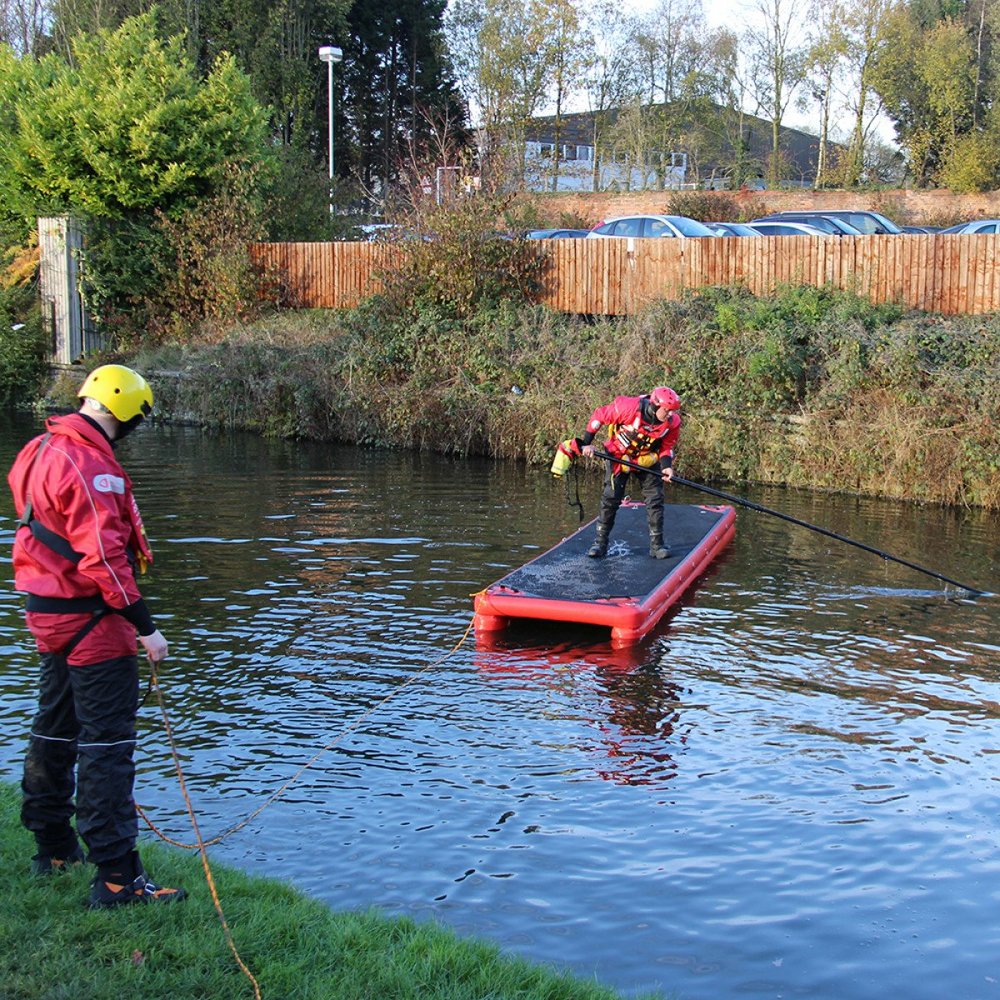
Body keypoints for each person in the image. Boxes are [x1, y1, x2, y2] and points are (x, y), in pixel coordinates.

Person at [8, 364, 186, 909]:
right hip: (93, 620)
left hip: (47, 611)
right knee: (108, 746)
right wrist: (147, 629)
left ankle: (53, 846)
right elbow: (107, 559)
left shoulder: (37, 449)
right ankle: (117, 879)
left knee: (55, 727)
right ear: (125, 410)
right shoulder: (90, 465)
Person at [576, 386, 682, 559]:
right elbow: (598, 417)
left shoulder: (672, 423)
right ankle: (600, 544)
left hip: (647, 459)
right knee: (610, 498)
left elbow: (667, 447)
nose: (670, 414)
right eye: (667, 410)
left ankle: (657, 546)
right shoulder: (628, 408)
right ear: (655, 406)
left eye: (672, 411)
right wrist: (586, 443)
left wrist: (666, 466)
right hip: (619, 456)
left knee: (655, 499)